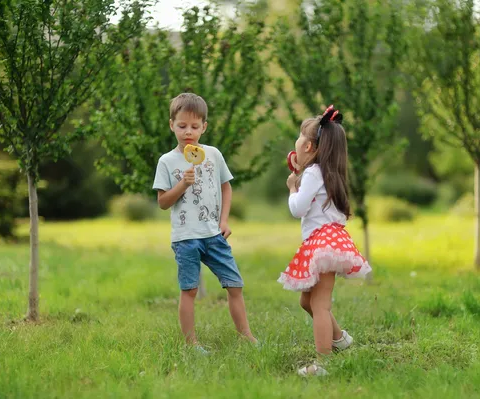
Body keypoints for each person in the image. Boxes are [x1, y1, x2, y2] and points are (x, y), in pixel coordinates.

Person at [153, 93, 257, 353]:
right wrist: (182, 184)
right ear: (171, 125)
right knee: (189, 290)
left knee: (235, 284)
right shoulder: (166, 161)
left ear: (204, 127)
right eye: (182, 126)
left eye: (194, 126)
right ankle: (192, 344)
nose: (188, 132)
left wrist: (224, 220)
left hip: (214, 235)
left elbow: (226, 187)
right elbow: (163, 202)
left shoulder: (212, 155)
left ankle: (246, 336)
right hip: (185, 238)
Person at [278, 105, 371, 376]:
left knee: (319, 305)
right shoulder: (329, 172)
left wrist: (293, 188)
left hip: (322, 244)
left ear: (308, 146)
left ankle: (322, 364)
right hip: (327, 241)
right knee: (307, 302)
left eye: (299, 136)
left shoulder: (313, 174)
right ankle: (340, 339)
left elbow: (298, 209)